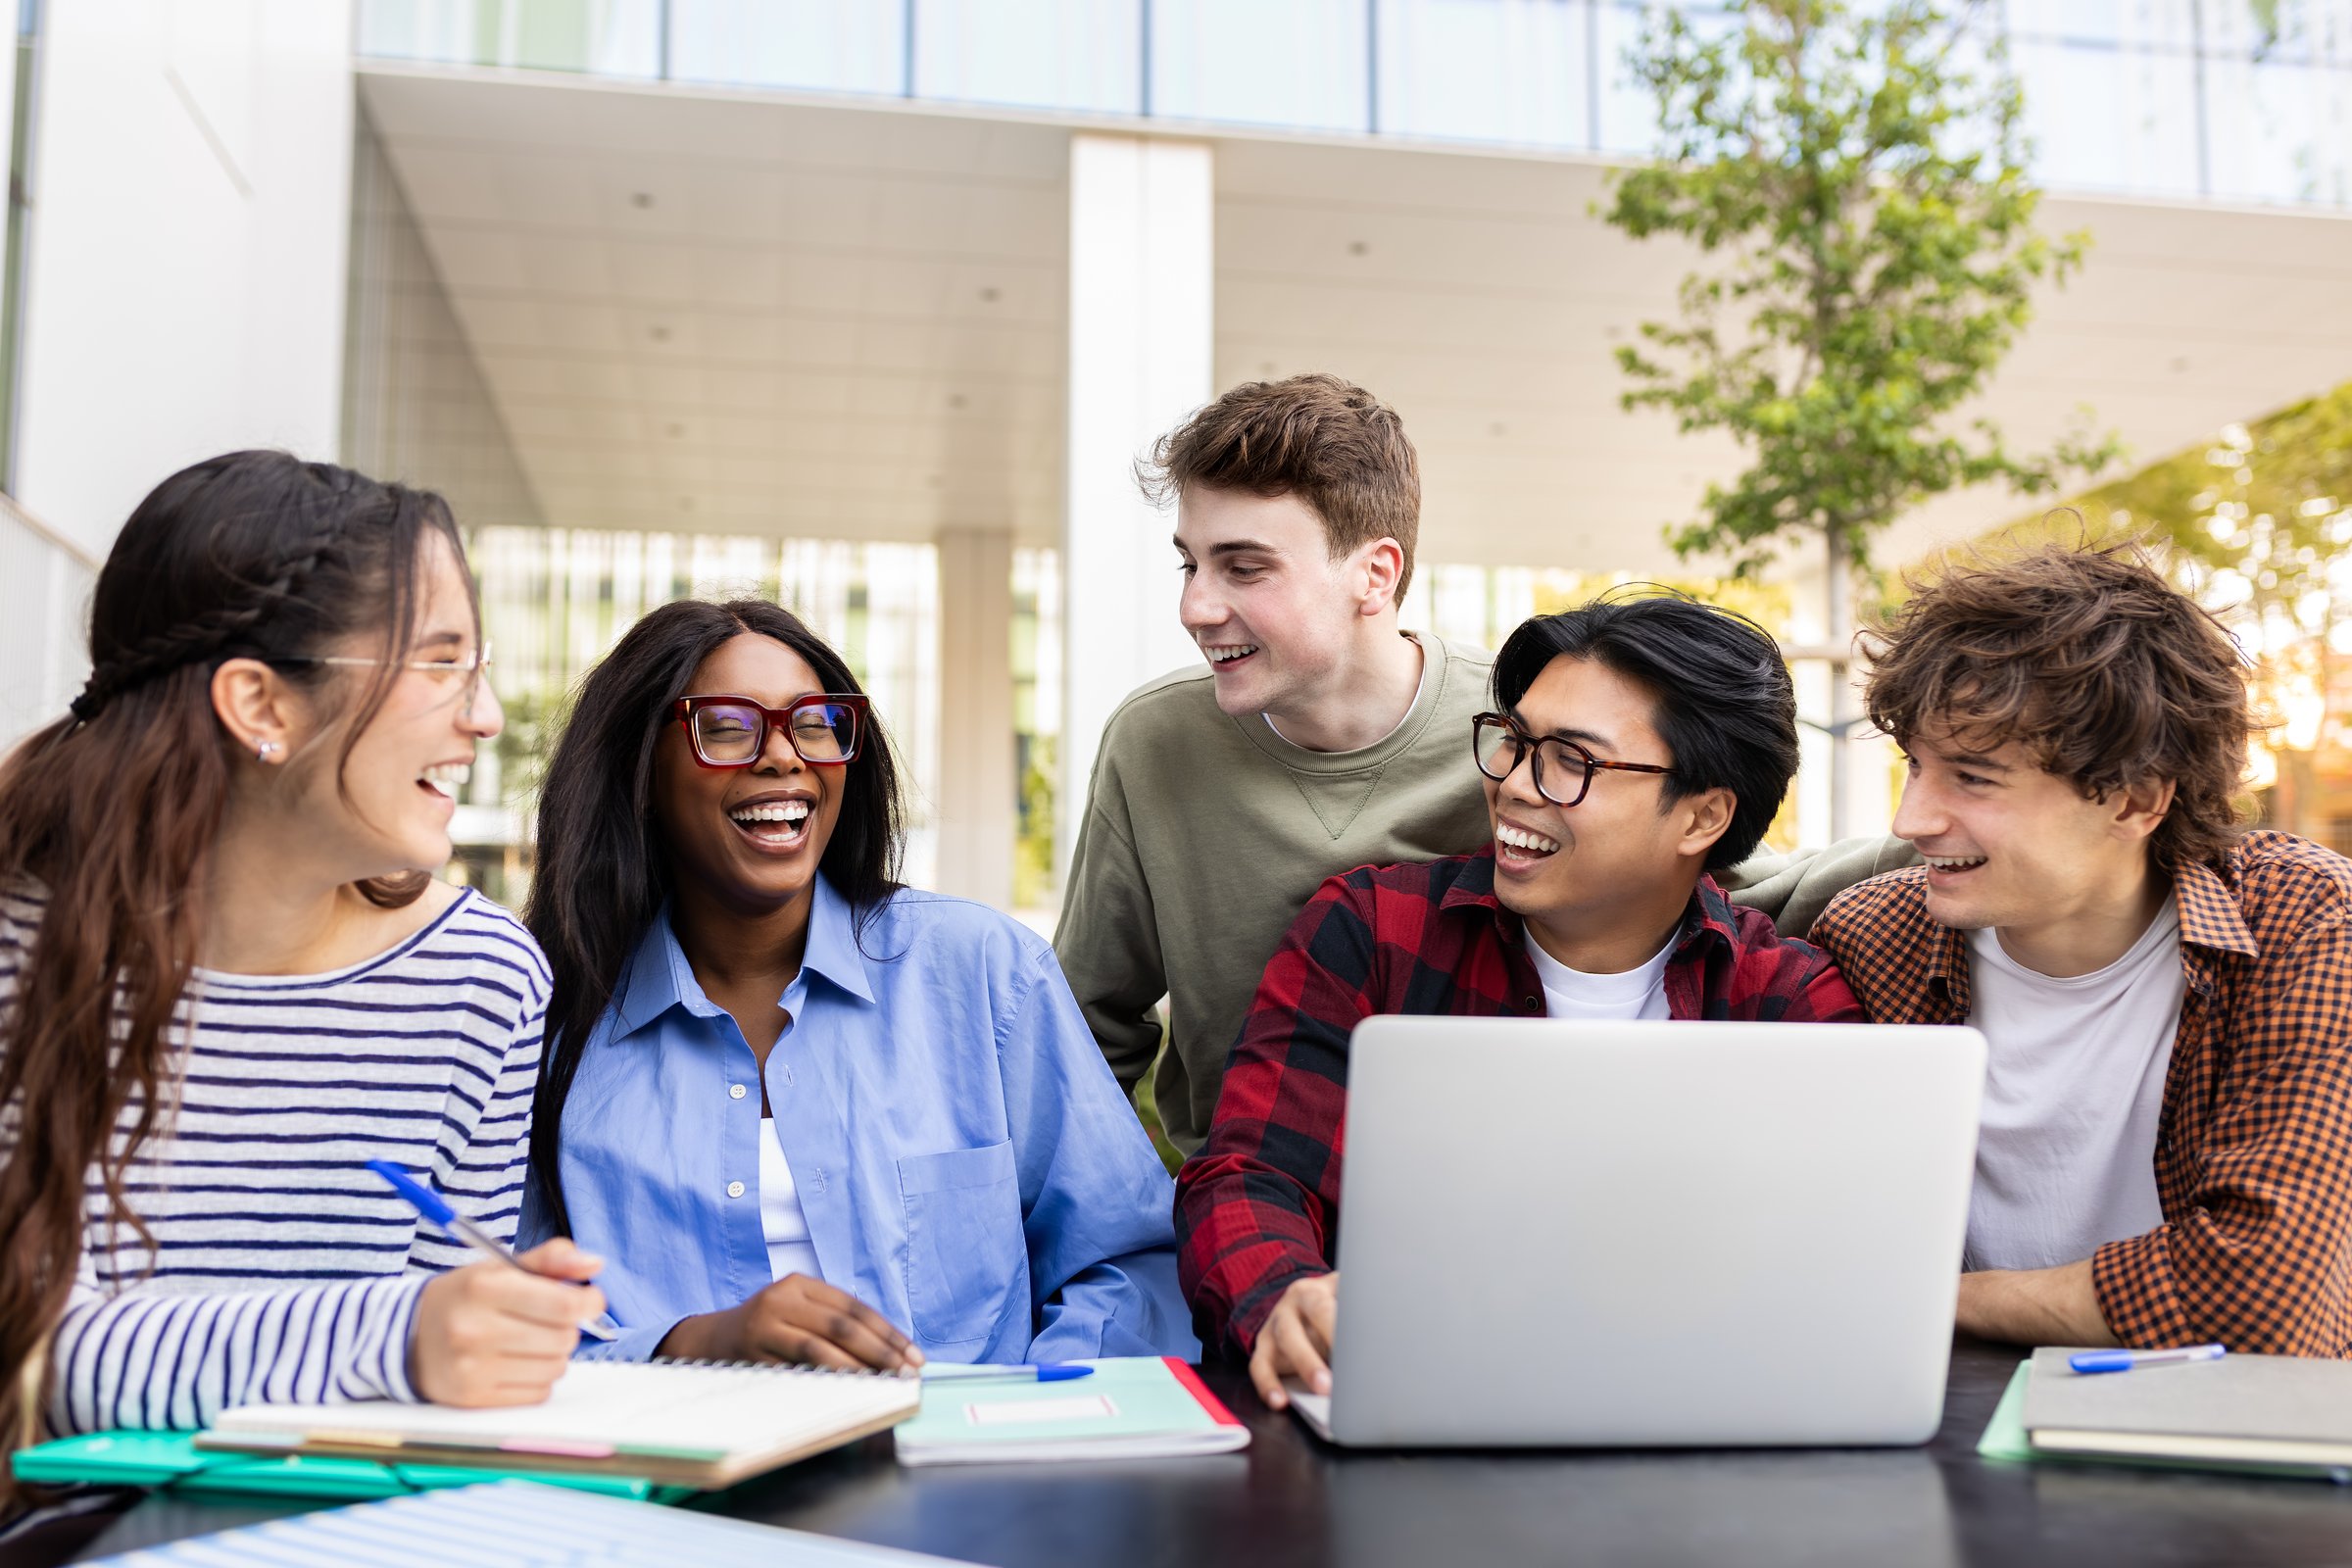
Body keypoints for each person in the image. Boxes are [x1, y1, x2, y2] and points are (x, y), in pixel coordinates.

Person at [1055, 373, 1910, 1156]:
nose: (1196, 606)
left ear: (1374, 575)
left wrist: (1947, 838)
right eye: (1190, 563)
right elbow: (1087, 1028)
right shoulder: (1155, 741)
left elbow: (1730, 872)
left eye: (1244, 567)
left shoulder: (1522, 732)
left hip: (1462, 1176)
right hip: (1251, 1183)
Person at [0, 453, 605, 1521]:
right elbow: (24, 1345)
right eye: (443, 663)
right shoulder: (19, 944)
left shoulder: (482, 981)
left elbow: (434, 1400)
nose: (490, 717)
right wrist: (399, 1337)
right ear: (260, 703)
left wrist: (482, 1333)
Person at [1175, 592, 1865, 1407]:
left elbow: (1834, 1262)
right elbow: (1249, 1174)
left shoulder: (1788, 1004)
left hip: (1696, 1414)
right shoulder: (1372, 934)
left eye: (1572, 761)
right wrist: (1285, 1296)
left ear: (1702, 817)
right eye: (1515, 743)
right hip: (1411, 1406)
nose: (1515, 787)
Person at [519, 599, 1193, 1368]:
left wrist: (1031, 1428)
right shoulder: (548, 1031)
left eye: (815, 723)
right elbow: (499, 1324)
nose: (784, 757)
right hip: (667, 1477)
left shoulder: (982, 975)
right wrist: (691, 1347)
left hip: (957, 1470)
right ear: (640, 773)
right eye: (728, 726)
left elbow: (1127, 1268)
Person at [1813, 543, 2352, 1356]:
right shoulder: (1869, 934)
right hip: (1935, 1409)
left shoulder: (2305, 923)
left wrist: (1929, 1295)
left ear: (2134, 799)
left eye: (1973, 777)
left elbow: (2265, 1298)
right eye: (1914, 767)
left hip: (2224, 1436)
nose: (1911, 819)